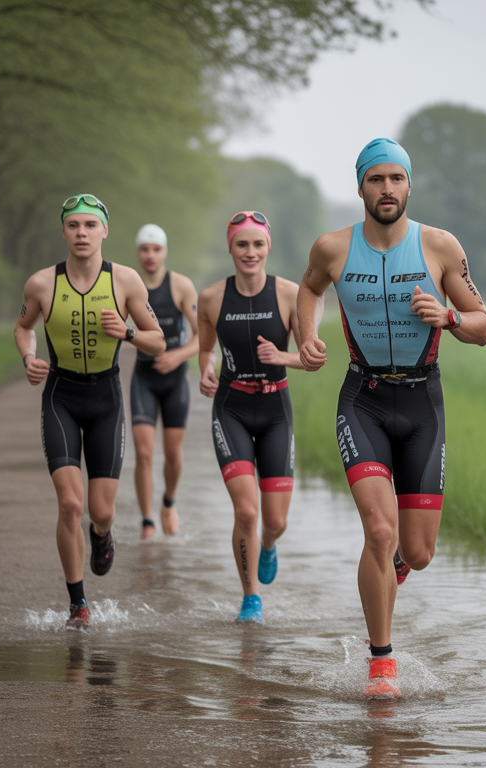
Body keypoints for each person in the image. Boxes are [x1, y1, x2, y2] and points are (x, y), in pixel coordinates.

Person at [296, 138, 486, 698]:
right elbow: (308, 290)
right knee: (379, 531)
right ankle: (382, 664)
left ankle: (395, 564)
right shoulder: (333, 247)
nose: (387, 189)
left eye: (396, 179)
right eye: (376, 179)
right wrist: (307, 336)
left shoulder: (439, 246)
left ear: (409, 185)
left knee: (418, 552)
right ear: (360, 186)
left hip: (423, 402)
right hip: (364, 400)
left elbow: (482, 326)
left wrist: (449, 317)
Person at [14, 194, 165, 631]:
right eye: (74, 225)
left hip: (106, 400)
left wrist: (128, 332)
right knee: (70, 504)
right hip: (61, 397)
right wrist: (29, 358)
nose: (82, 233)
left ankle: (101, 533)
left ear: (104, 231)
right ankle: (78, 603)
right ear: (63, 231)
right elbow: (23, 327)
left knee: (100, 510)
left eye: (90, 225)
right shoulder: (41, 284)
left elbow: (158, 341)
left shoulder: (126, 281)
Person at [196, 211, 303, 623]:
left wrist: (282, 357)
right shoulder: (211, 298)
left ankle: (268, 546)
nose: (250, 252)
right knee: (246, 512)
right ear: (231, 248)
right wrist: (206, 369)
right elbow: (206, 349)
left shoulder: (289, 294)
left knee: (275, 521)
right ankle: (250, 598)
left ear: (267, 247)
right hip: (232, 409)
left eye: (258, 244)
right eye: (242, 244)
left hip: (276, 411)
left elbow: (312, 357)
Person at [129, 223, 200, 540]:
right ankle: (147, 521)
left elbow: (202, 335)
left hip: (175, 380)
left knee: (172, 454)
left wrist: (177, 356)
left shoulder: (181, 286)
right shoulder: (127, 284)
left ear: (164, 252)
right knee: (144, 453)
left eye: (156, 249)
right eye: (145, 249)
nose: (150, 255)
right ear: (138, 252)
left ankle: (168, 503)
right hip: (143, 378)